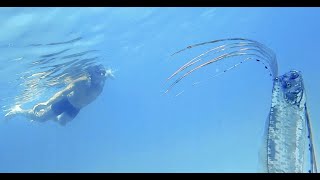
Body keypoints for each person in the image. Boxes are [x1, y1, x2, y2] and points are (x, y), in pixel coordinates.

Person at [5, 64, 115, 126]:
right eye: (97, 74)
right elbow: (62, 92)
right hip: (66, 102)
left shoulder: (100, 83)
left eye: (102, 74)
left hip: (76, 108)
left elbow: (105, 75)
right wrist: (46, 103)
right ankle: (18, 111)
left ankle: (49, 115)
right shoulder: (81, 82)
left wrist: (108, 74)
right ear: (91, 74)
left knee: (62, 123)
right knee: (40, 119)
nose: (100, 76)